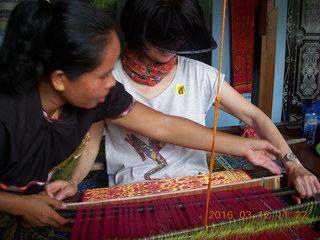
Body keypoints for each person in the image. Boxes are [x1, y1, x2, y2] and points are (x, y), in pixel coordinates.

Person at [0, 0, 282, 229]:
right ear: (60, 78)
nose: (113, 81)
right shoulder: (9, 113)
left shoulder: (102, 95)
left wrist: (248, 146)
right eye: (102, 75)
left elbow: (165, 127)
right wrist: (19, 204)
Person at [47, 0, 319, 205]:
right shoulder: (108, 78)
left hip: (198, 187)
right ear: (139, 31)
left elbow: (255, 118)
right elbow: (93, 141)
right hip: (134, 191)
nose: (171, 49)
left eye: (177, 41)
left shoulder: (200, 75)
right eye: (162, 41)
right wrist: (71, 181)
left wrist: (293, 165)